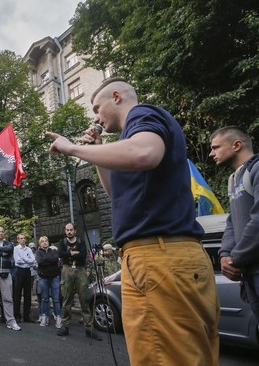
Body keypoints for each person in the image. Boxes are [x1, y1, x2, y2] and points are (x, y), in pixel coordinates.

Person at [46, 77, 219, 365]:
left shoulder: (142, 115)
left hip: (158, 256)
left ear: (117, 96)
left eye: (97, 108)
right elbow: (116, 193)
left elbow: (145, 153)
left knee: (162, 356)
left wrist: (73, 149)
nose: (96, 117)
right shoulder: (129, 140)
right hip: (162, 256)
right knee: (186, 354)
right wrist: (98, 150)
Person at [209, 126, 259, 324]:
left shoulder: (256, 169)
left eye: (215, 147)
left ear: (236, 145)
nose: (212, 153)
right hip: (248, 273)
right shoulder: (234, 179)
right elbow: (231, 222)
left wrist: (235, 259)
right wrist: (224, 254)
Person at [57, 223, 98, 339]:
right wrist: (72, 253)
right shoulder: (62, 242)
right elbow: (60, 254)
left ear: (75, 230)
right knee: (66, 299)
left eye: (71, 230)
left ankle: (89, 328)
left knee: (84, 299)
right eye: (67, 230)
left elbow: (83, 255)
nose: (69, 232)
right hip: (66, 270)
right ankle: (65, 326)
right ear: (65, 231)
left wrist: (68, 255)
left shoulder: (81, 241)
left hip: (80, 270)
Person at [35, 236, 60, 328]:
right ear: (40, 243)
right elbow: (40, 262)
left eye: (46, 241)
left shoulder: (53, 251)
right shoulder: (38, 252)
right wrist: (49, 260)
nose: (45, 242)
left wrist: (46, 259)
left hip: (54, 277)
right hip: (43, 277)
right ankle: (44, 316)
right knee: (44, 298)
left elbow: (56, 259)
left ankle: (58, 317)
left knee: (56, 299)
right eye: (42, 241)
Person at [12, 234, 35, 323]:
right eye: (21, 238)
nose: (23, 240)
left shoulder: (28, 249)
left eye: (24, 238)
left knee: (28, 294)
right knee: (17, 294)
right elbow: (17, 261)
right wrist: (27, 260)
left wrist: (24, 259)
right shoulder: (16, 249)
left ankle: (27, 316)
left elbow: (33, 260)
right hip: (19, 271)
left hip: (27, 271)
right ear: (18, 240)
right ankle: (16, 315)